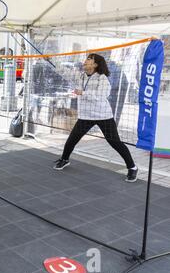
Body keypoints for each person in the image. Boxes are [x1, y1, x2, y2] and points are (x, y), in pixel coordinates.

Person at [53, 53, 138, 182]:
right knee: (72, 139)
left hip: (103, 116)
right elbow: (65, 72)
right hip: (85, 116)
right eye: (86, 58)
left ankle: (132, 167)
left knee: (115, 143)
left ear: (95, 65)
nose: (85, 61)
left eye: (89, 59)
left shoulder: (102, 78)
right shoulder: (81, 76)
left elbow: (102, 95)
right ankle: (64, 159)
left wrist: (83, 93)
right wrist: (51, 61)